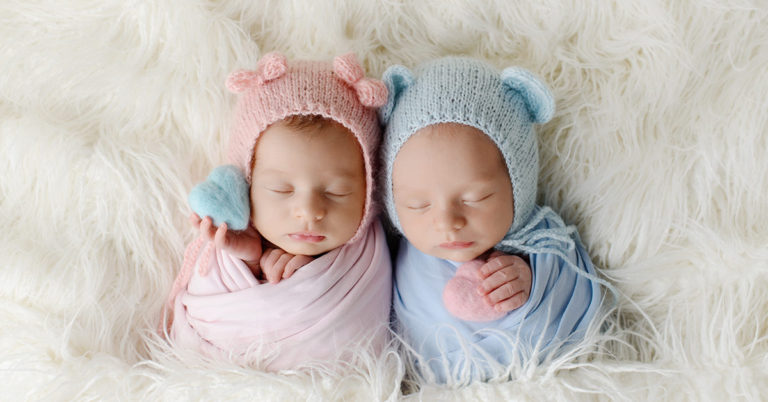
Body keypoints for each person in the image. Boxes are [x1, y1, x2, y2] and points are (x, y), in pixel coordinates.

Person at [378, 57, 604, 383]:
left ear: (517, 184)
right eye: (419, 205)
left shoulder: (543, 241)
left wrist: (530, 282)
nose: (448, 222)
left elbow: (572, 288)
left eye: (475, 198)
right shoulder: (391, 258)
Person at [164, 52, 392, 371]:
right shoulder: (227, 254)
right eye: (282, 190)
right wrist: (250, 260)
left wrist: (311, 271)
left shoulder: (368, 261)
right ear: (246, 184)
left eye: (336, 191)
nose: (309, 211)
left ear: (369, 192)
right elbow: (206, 323)